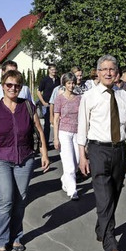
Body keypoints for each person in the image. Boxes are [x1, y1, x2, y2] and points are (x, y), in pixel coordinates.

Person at [77, 55, 126, 251]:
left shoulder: (124, 96)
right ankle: (111, 243)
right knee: (104, 196)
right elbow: (82, 127)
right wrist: (82, 155)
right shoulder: (89, 96)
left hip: (120, 150)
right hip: (98, 150)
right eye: (104, 69)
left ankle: (101, 227)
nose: (108, 73)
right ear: (97, 73)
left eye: (111, 69)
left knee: (114, 193)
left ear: (117, 73)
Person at [0, 70, 49, 251]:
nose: (13, 88)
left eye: (17, 85)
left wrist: (44, 154)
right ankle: (0, 240)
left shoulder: (28, 106)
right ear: (2, 86)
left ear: (21, 87)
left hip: (24, 160)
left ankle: (16, 236)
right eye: (9, 85)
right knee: (5, 199)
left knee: (20, 200)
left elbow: (39, 131)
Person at [53, 72, 82, 200]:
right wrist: (55, 138)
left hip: (77, 132)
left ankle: (65, 179)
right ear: (64, 84)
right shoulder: (59, 98)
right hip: (64, 132)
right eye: (69, 83)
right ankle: (73, 190)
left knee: (76, 163)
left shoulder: (79, 98)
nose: (71, 85)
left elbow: (83, 116)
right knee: (69, 164)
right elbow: (56, 119)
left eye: (73, 83)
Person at [37, 63, 59, 148]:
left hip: (56, 104)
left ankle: (57, 140)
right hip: (47, 104)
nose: (54, 71)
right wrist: (42, 102)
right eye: (52, 70)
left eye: (55, 69)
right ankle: (45, 142)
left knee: (57, 122)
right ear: (49, 70)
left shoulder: (58, 79)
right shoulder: (45, 80)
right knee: (47, 124)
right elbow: (38, 91)